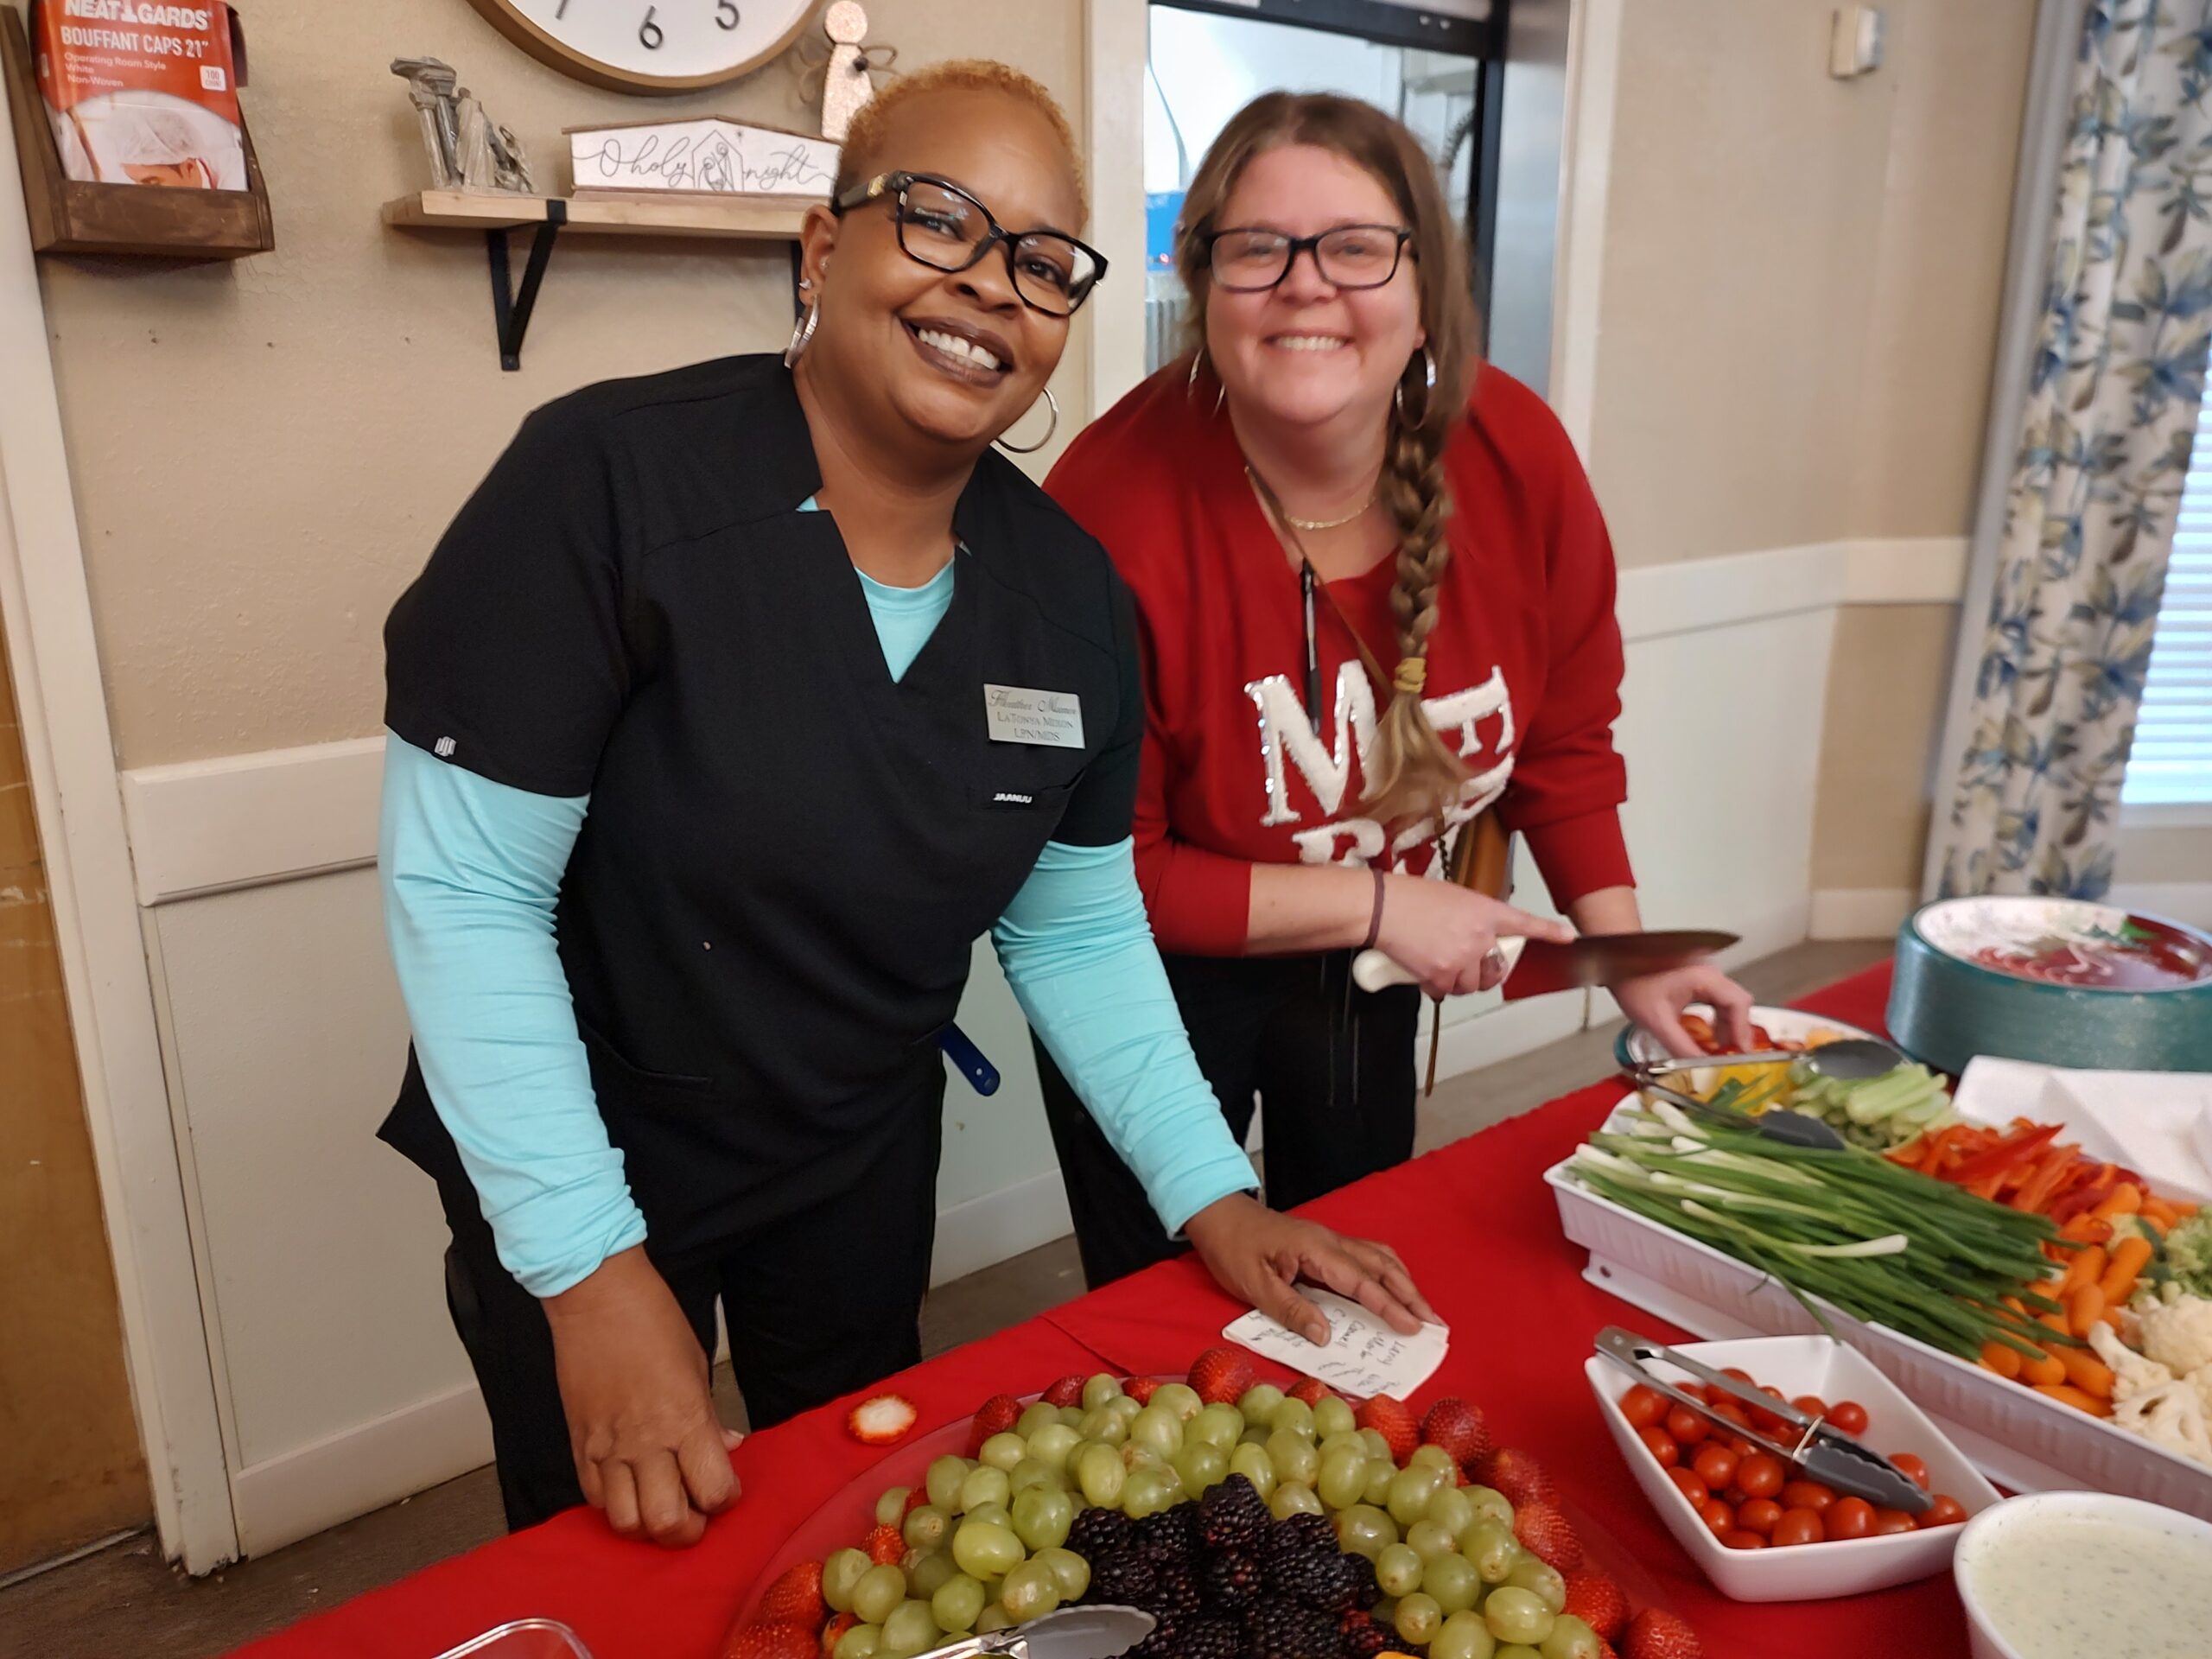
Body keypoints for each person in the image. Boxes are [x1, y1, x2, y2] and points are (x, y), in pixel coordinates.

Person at [375, 63, 1432, 1550]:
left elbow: (1075, 931)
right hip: (585, 1137)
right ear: (824, 248)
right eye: (939, 219)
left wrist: (1218, 1197)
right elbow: (469, 893)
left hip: (854, 1154)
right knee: (612, 1543)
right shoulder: (605, 486)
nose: (991, 283)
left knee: (845, 1521)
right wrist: (590, 1273)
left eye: (1042, 261)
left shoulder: (1067, 599)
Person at [1034, 92, 1754, 1290]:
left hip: (1368, 965)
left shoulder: (1517, 456)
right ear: (1201, 281)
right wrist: (1379, 902)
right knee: (1166, 1289)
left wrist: (1624, 950)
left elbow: (1565, 745)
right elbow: (1114, 880)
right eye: (1257, 249)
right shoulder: (1110, 512)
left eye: (1357, 247)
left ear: (1426, 288)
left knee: (1357, 1254)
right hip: (1153, 980)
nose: (1305, 286)